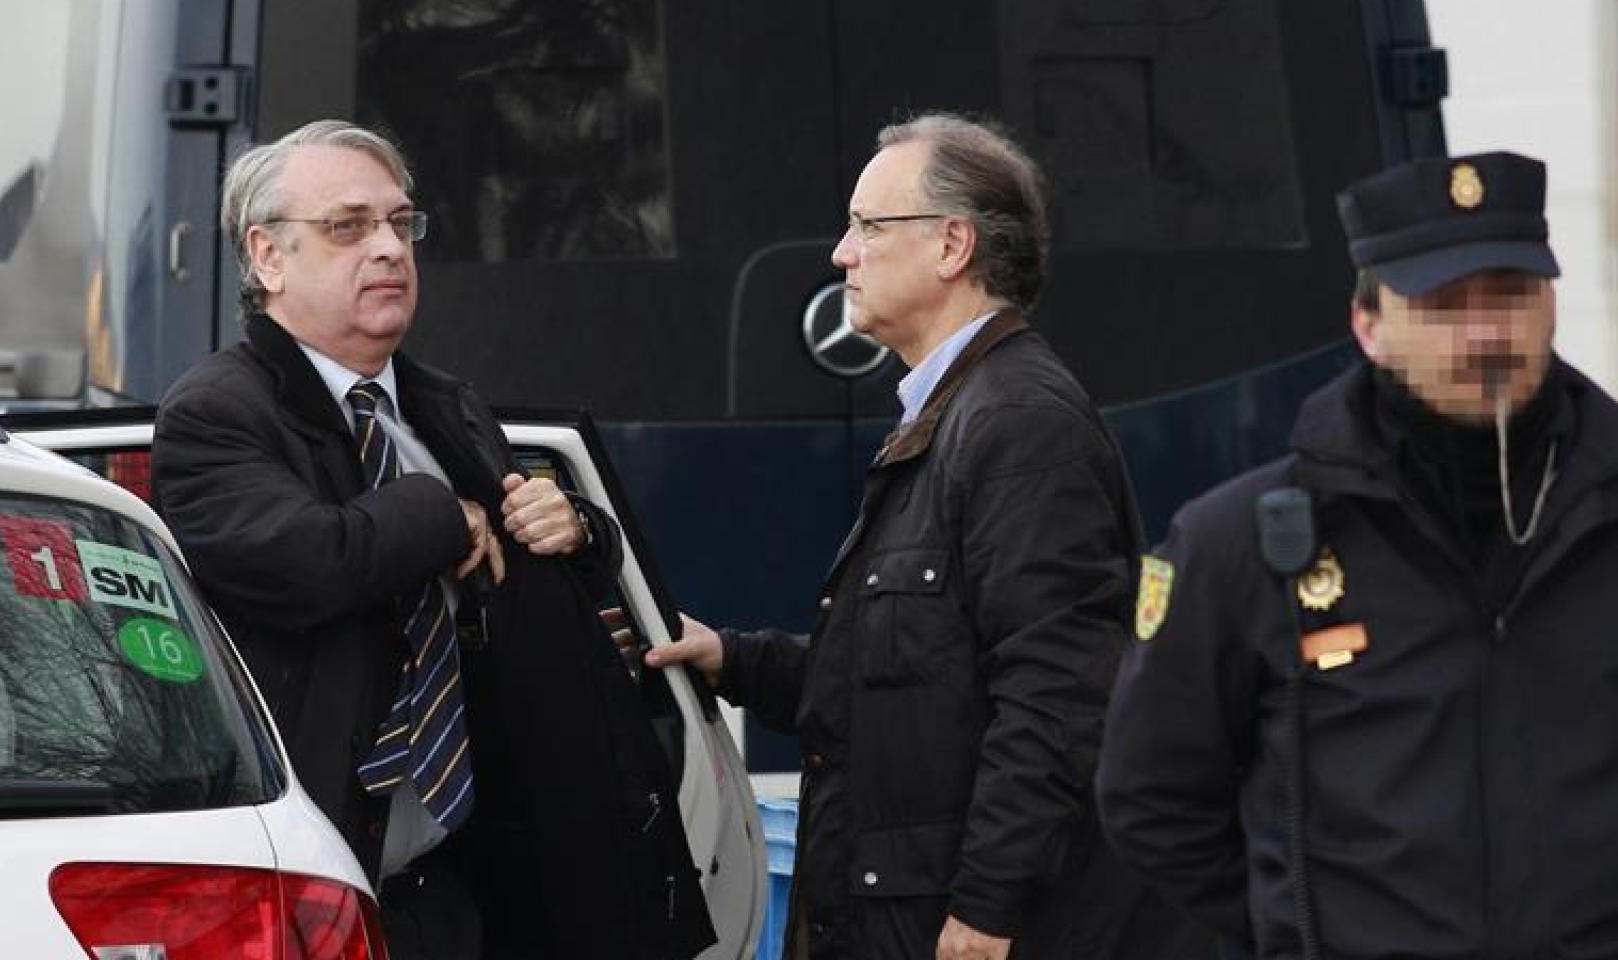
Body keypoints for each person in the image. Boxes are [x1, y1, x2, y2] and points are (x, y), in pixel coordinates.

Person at [151, 120, 713, 960]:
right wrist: (441, 512)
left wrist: (576, 526)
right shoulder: (216, 412)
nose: (387, 248)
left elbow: (537, 591)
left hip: (467, 885)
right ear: (268, 257)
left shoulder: (445, 403)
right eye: (348, 227)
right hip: (320, 890)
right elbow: (312, 564)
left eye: (400, 223)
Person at [648, 113, 1195, 960]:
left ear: (952, 247)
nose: (841, 253)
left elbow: (1055, 694)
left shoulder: (1019, 423)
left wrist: (987, 913)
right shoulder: (960, 412)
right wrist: (734, 657)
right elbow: (912, 683)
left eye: (868, 225)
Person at [1097, 151, 1618, 959]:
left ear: (1550, 306)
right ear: (1368, 326)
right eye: (1443, 304)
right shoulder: (1243, 545)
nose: (1485, 334)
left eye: (1513, 297)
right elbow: (1152, 797)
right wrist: (1298, 929)